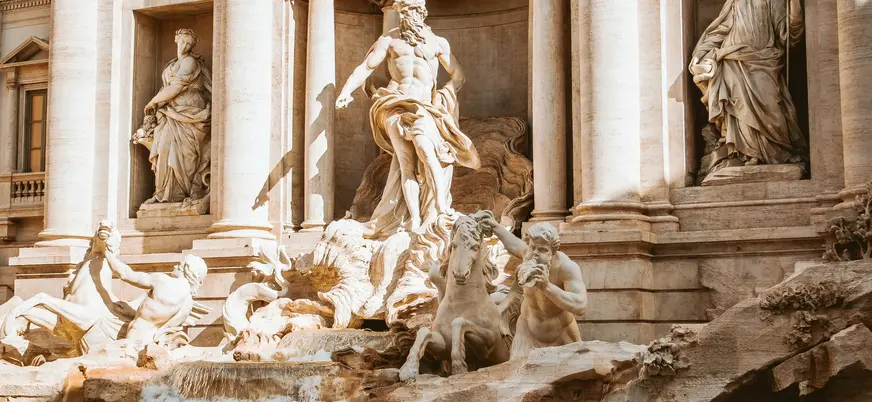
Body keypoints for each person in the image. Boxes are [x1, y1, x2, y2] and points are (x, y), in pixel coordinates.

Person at [336, 0, 479, 236]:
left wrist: (443, 98)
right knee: (406, 165)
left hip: (424, 107)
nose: (407, 16)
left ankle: (442, 209)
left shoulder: (438, 43)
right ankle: (413, 219)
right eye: (404, 12)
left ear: (422, 12)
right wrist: (346, 91)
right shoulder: (389, 40)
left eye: (411, 11)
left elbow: (458, 75)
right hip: (395, 105)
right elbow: (366, 67)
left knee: (427, 152)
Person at [690, 0, 806, 170]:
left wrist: (795, 6)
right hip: (733, 61)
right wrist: (699, 56)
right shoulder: (735, 2)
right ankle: (745, 154)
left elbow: (789, 35)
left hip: (764, 60)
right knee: (738, 108)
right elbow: (719, 31)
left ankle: (775, 153)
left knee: (771, 106)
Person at [481, 217, 588, 359]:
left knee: (576, 378)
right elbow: (513, 243)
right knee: (517, 376)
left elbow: (580, 306)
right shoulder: (528, 255)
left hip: (562, 335)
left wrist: (547, 287)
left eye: (542, 250)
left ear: (553, 252)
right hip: (527, 334)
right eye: (532, 247)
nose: (535, 253)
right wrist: (494, 225)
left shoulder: (566, 267)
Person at [141, 28, 212, 207]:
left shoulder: (190, 62)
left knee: (186, 154)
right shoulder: (172, 64)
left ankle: (184, 192)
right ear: (176, 40)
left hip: (189, 111)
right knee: (164, 148)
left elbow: (176, 87)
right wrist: (160, 104)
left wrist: (153, 102)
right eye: (183, 42)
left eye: (190, 44)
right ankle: (163, 193)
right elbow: (168, 88)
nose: (186, 46)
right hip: (169, 112)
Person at [104, 252, 208, 344]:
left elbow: (125, 274)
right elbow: (159, 321)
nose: (175, 266)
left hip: (134, 340)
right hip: (151, 343)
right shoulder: (188, 304)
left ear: (186, 269)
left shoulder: (163, 280)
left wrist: (107, 253)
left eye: (179, 265)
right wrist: (132, 313)